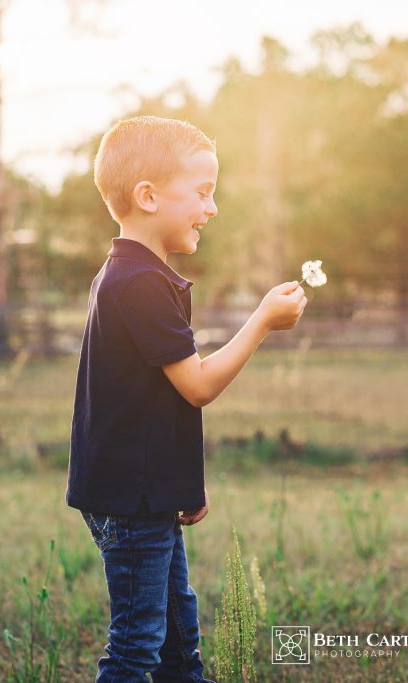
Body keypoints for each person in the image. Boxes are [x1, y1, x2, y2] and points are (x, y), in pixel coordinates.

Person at [67, 115, 307, 682]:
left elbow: (158, 404)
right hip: (132, 500)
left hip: (143, 493)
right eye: (202, 192)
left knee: (178, 644)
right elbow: (197, 385)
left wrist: (183, 484)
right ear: (147, 196)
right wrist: (262, 322)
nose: (213, 207)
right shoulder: (140, 282)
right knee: (136, 647)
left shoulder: (133, 273)